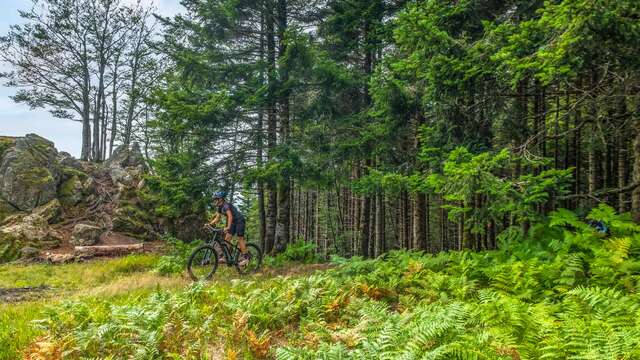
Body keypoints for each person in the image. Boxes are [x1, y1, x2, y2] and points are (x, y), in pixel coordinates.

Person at [207, 191, 250, 264]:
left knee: (240, 238)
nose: (214, 201)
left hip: (239, 221)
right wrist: (209, 224)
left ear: (220, 199)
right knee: (227, 239)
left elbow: (230, 216)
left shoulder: (226, 205)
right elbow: (217, 218)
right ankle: (226, 257)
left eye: (215, 199)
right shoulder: (219, 207)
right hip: (233, 222)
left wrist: (228, 227)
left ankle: (246, 258)